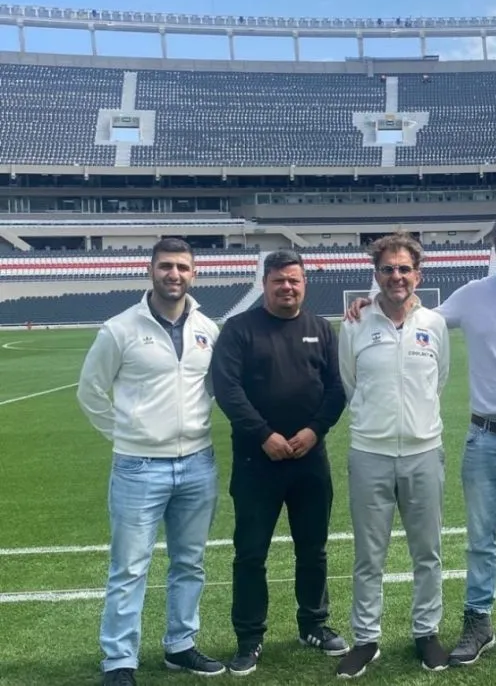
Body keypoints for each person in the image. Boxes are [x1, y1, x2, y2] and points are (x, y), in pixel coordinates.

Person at [347, 211, 496, 665]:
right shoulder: (472, 295)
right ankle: (479, 622)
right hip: (484, 439)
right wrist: (370, 303)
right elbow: (415, 318)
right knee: (480, 539)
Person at [77, 238, 224, 685]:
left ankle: (181, 646)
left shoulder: (208, 329)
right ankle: (119, 660)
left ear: (193, 273)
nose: (173, 274)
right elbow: (89, 391)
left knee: (190, 562)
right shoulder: (119, 328)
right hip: (139, 468)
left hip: (198, 464)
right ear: (151, 271)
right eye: (166, 266)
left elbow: (215, 389)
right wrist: (127, 435)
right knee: (129, 567)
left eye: (182, 266)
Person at [210, 249, 347, 677]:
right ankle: (249, 637)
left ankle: (314, 624)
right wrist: (263, 434)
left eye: (294, 280)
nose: (287, 287)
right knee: (250, 553)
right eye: (278, 280)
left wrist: (314, 431)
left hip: (309, 460)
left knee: (314, 549)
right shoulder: (238, 329)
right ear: (265, 283)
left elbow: (337, 389)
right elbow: (227, 389)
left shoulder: (321, 329)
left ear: (304, 283)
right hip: (257, 461)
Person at [335, 233, 451, 679]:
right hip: (370, 454)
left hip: (424, 452)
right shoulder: (354, 324)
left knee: (428, 552)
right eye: (388, 269)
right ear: (376, 275)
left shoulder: (434, 323)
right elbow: (351, 383)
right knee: (369, 555)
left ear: (417, 274)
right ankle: (365, 640)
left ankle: (427, 632)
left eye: (404, 269)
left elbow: (438, 380)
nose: (396, 277)